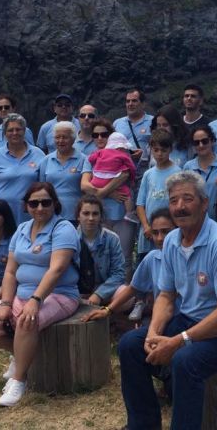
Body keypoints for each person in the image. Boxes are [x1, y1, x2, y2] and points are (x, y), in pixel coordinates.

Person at [118, 171, 217, 430]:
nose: (179, 207)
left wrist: (177, 341)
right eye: (173, 200)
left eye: (187, 199)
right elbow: (166, 296)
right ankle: (143, 425)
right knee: (130, 345)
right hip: (190, 320)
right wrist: (153, 333)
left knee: (185, 360)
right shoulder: (172, 240)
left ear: (204, 203)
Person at [0, 182, 81, 407]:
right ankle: (21, 355)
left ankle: (19, 380)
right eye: (34, 203)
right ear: (26, 206)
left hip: (59, 294)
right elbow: (11, 271)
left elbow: (57, 269)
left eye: (45, 202)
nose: (39, 207)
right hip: (22, 294)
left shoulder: (63, 229)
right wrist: (6, 303)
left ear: (55, 204)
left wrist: (36, 300)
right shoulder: (22, 229)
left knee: (26, 319)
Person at [81, 207, 174, 322]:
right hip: (162, 318)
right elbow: (133, 288)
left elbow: (119, 274)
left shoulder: (188, 257)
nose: (160, 238)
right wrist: (107, 310)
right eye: (155, 233)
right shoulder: (152, 258)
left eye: (165, 232)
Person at [132, 129, 182, 322]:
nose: (159, 154)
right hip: (148, 231)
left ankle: (167, 306)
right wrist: (146, 225)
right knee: (145, 264)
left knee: (167, 266)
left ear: (170, 150)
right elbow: (140, 203)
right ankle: (141, 302)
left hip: (169, 230)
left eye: (163, 150)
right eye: (156, 150)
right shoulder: (148, 174)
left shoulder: (177, 173)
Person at [81, 118, 138, 279]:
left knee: (125, 257)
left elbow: (125, 175)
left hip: (122, 216)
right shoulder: (91, 158)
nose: (99, 138)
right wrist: (108, 192)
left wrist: (100, 191)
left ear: (111, 136)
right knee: (99, 256)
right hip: (100, 215)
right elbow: (84, 186)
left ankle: (125, 290)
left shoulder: (122, 154)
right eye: (95, 135)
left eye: (104, 134)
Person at [0, 113, 44, 227]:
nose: (14, 133)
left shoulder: (38, 154)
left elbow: (45, 184)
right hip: (1, 217)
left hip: (31, 216)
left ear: (24, 131)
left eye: (18, 129)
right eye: (10, 130)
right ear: (5, 133)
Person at [75, 195, 127, 306]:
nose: (91, 218)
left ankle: (107, 312)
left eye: (95, 214)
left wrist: (99, 294)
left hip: (105, 289)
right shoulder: (70, 238)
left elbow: (119, 273)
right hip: (78, 291)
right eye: (86, 213)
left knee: (125, 295)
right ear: (78, 216)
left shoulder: (112, 238)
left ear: (101, 216)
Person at [37, 121, 88, 225]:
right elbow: (41, 189)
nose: (60, 141)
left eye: (65, 137)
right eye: (57, 137)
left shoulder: (84, 160)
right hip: (51, 215)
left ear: (73, 139)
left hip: (76, 215)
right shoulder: (46, 161)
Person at [87, 131, 137, 219]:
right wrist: (133, 179)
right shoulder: (123, 155)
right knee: (126, 194)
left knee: (92, 193)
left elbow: (91, 158)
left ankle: (93, 211)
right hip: (111, 179)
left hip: (96, 180)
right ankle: (129, 213)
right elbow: (131, 168)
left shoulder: (101, 152)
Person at [183, 124, 217, 219]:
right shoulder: (188, 167)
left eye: (204, 141)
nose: (201, 145)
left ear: (212, 141)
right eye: (196, 142)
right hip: (195, 220)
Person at [113, 88, 153, 181]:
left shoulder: (152, 122)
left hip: (145, 174)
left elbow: (159, 145)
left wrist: (144, 154)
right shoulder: (117, 123)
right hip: (122, 175)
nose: (130, 104)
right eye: (128, 101)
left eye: (134, 101)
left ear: (143, 104)